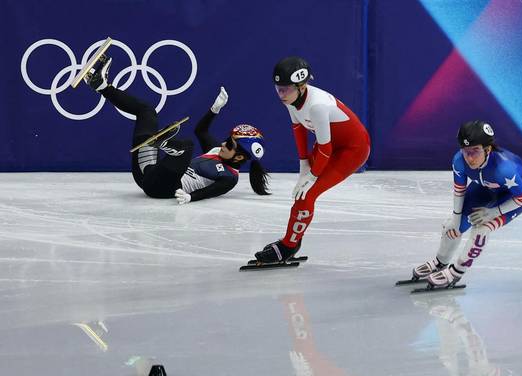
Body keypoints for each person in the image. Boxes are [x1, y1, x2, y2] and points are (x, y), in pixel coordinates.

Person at [77, 43, 269, 203]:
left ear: (238, 158)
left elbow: (212, 192)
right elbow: (201, 130)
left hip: (161, 190)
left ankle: (159, 142)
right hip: (147, 172)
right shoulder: (216, 150)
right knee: (147, 111)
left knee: (187, 146)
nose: (223, 143)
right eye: (228, 139)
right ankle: (100, 84)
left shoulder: (230, 178)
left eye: (230, 144)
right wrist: (215, 109)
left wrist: (190, 197)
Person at [253, 56, 371, 263]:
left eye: (286, 89)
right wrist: (303, 166)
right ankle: (291, 240)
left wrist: (313, 175)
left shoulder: (317, 106)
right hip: (331, 146)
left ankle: (289, 246)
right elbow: (298, 129)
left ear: (301, 86)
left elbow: (326, 147)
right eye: (278, 88)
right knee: (303, 193)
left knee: (307, 195)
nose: (281, 94)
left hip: (352, 150)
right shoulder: (291, 99)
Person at [410, 120, 522, 289]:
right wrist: (455, 218)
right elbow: (459, 190)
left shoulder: (504, 168)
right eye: (465, 151)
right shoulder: (458, 161)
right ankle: (441, 262)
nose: (469, 158)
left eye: (475, 151)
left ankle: (457, 271)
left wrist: (494, 212)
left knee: (482, 228)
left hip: (514, 196)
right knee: (451, 227)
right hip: (486, 187)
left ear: (487, 149)